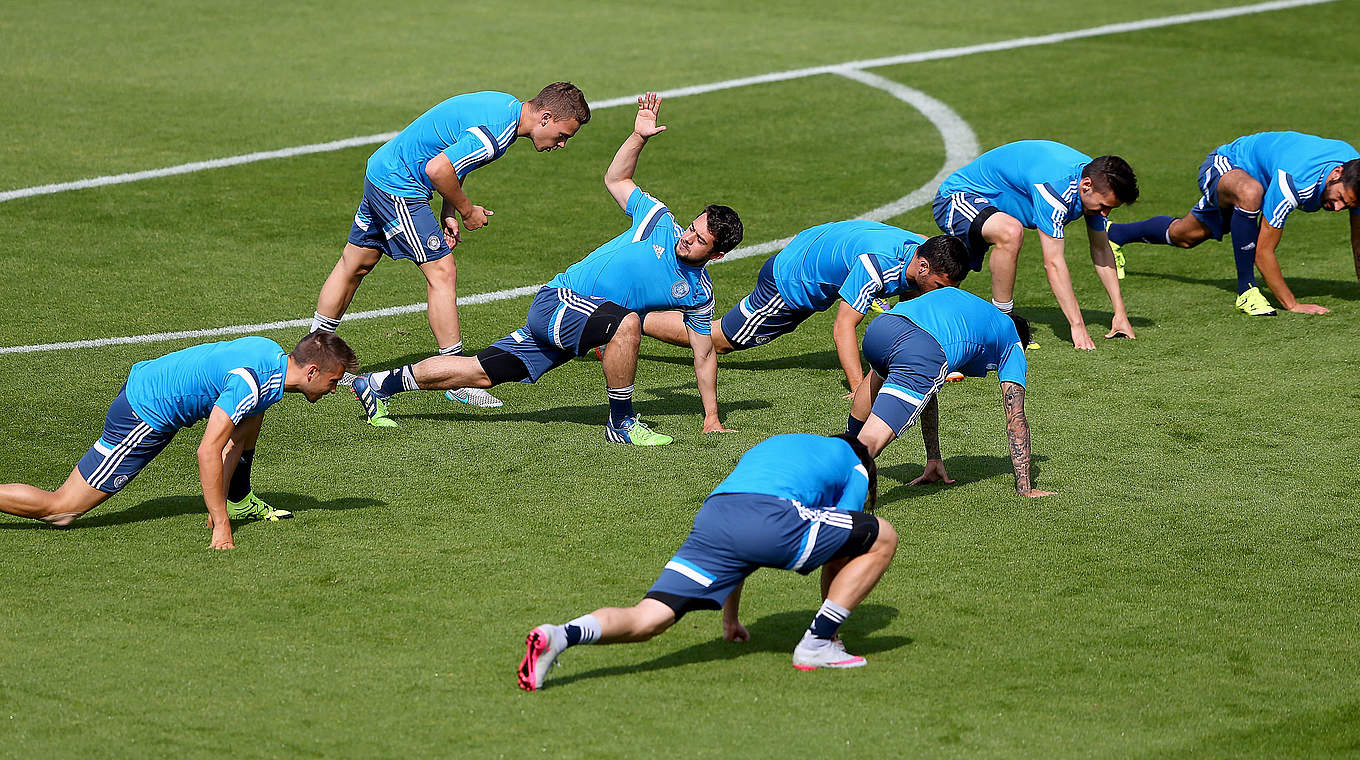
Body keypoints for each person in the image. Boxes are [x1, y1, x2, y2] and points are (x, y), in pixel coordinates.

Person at [349, 92, 743, 445]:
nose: (688, 237)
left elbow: (704, 352)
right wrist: (638, 137)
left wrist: (710, 417)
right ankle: (621, 423)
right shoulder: (657, 220)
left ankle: (377, 385)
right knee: (627, 324)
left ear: (717, 255)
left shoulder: (698, 293)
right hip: (561, 303)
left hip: (583, 323)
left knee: (480, 372)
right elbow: (617, 178)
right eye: (693, 227)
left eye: (700, 240)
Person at [517, 432, 897, 691]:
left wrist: (729, 618)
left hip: (716, 515)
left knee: (649, 618)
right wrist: (830, 628)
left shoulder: (782, 444)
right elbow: (841, 554)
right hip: (769, 516)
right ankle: (816, 644)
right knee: (882, 536)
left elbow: (743, 550)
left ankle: (558, 635)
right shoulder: (855, 464)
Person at [310, 82, 590, 408]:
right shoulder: (497, 134)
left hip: (382, 168)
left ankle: (315, 348)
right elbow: (438, 168)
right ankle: (455, 376)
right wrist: (468, 211)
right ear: (545, 117)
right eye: (562, 135)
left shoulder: (505, 106)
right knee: (443, 272)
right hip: (399, 184)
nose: (561, 144)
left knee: (354, 263)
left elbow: (454, 158)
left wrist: (448, 209)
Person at [0, 333, 358, 549]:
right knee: (62, 510)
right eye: (331, 381)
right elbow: (208, 450)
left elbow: (238, 440)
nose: (332, 389)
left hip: (151, 385)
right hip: (144, 412)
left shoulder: (271, 355)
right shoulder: (251, 384)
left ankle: (235, 503)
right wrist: (220, 525)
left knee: (250, 421)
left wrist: (220, 505)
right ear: (311, 371)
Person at [639, 222, 971, 394]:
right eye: (940, 287)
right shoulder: (877, 266)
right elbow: (842, 328)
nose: (940, 295)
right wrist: (859, 391)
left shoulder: (922, 249)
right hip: (791, 281)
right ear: (924, 268)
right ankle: (632, 319)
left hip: (815, 248)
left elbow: (911, 308)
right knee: (719, 339)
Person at [1107, 131, 1360, 316]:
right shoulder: (1294, 183)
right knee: (1251, 192)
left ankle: (1115, 234)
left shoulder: (1354, 176)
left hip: (1258, 184)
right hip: (1228, 164)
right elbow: (1263, 252)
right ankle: (1247, 291)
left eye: (1345, 205)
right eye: (1338, 198)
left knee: (1186, 236)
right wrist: (1292, 304)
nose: (1337, 208)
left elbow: (1358, 239)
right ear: (1336, 173)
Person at [848, 287, 1053, 498]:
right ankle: (831, 489)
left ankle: (841, 450)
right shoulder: (1012, 340)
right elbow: (1016, 418)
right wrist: (1025, 488)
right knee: (871, 441)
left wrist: (933, 458)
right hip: (919, 346)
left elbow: (927, 391)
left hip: (881, 328)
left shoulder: (975, 313)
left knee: (885, 384)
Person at [933, 140, 1140, 349]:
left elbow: (1101, 249)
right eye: (1104, 206)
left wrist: (1120, 313)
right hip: (957, 197)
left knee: (951, 275)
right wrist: (1077, 325)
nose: (1105, 214)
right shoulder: (1056, 189)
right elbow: (1053, 263)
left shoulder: (1093, 183)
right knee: (1009, 233)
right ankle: (1004, 324)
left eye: (1111, 208)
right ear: (1086, 185)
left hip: (994, 207)